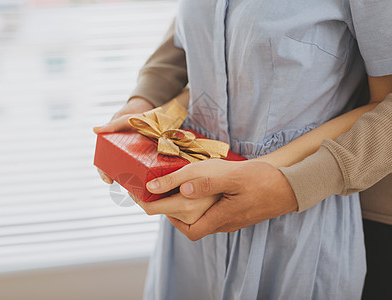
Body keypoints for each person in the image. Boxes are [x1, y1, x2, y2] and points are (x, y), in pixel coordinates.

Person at [94, 1, 392, 299]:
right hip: (193, 217)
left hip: (298, 221)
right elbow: (199, 31)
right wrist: (145, 100)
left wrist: (286, 185)